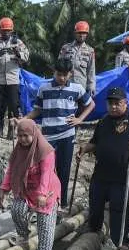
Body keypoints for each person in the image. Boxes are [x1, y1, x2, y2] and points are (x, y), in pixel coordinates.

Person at [78, 87, 129, 248]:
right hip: (101, 173)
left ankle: (120, 241)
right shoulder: (104, 121)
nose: (113, 106)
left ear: (125, 103)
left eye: (117, 103)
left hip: (124, 176)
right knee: (95, 203)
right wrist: (84, 149)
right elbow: (95, 142)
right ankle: (94, 232)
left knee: (119, 208)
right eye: (110, 103)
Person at [26, 57, 94, 207]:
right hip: (48, 136)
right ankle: (45, 200)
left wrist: (79, 119)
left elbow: (91, 104)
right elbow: (37, 110)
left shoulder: (77, 88)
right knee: (45, 169)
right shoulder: (44, 88)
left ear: (71, 73)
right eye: (59, 74)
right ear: (54, 72)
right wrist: (24, 120)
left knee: (64, 169)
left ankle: (61, 202)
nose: (62, 78)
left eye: (65, 74)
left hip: (67, 135)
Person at [0, 119, 63, 250]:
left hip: (47, 191)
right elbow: (12, 170)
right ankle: (23, 234)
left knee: (44, 224)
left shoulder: (45, 151)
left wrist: (42, 194)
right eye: (20, 135)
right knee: (17, 209)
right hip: (27, 189)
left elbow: (46, 175)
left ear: (34, 134)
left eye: (26, 136)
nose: (23, 139)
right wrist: (4, 189)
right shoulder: (19, 150)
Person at [0, 16, 30, 138]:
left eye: (8, 30)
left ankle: (12, 130)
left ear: (12, 30)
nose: (6, 33)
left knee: (14, 105)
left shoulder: (18, 43)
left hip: (12, 79)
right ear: (0, 30)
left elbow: (26, 57)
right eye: (4, 30)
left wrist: (17, 53)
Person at [57, 20, 97, 97]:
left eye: (84, 33)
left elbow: (91, 71)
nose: (81, 35)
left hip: (81, 87)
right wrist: (56, 82)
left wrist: (91, 86)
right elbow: (58, 67)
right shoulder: (65, 48)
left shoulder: (90, 51)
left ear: (87, 34)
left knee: (81, 108)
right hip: (66, 85)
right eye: (79, 32)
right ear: (75, 33)